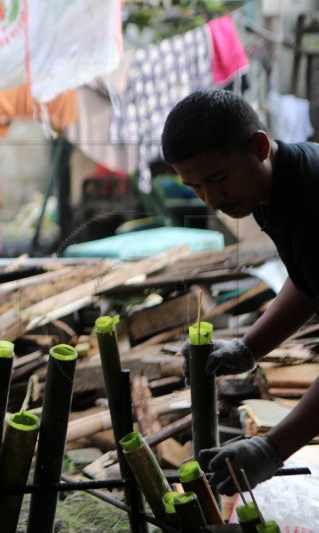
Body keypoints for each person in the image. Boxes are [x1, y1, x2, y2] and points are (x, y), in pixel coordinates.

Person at [161, 88, 319, 496]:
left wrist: (273, 446)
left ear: (259, 146)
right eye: (195, 186)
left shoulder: (312, 203)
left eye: (217, 179)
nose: (212, 199)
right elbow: (308, 280)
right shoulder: (275, 186)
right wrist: (249, 347)